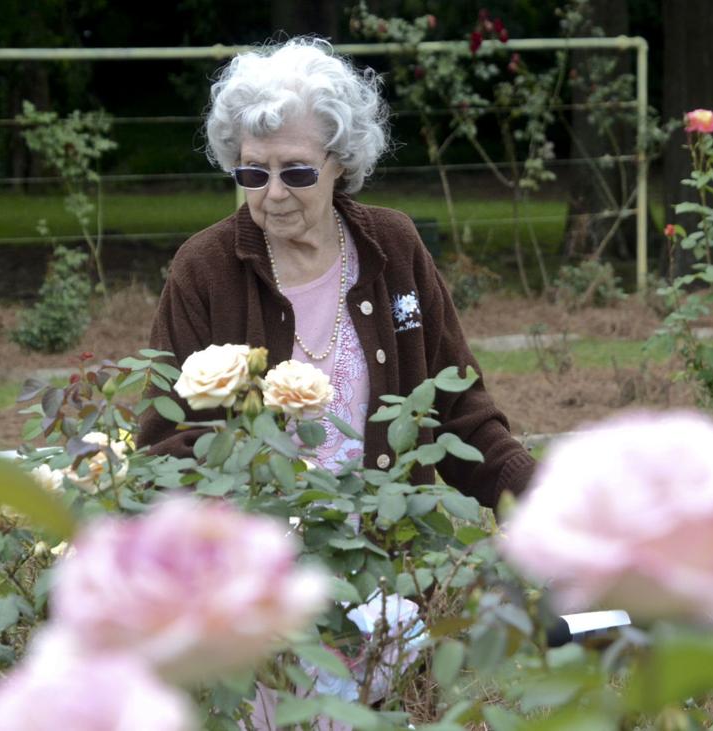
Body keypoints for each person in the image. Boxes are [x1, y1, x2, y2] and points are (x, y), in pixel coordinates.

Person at [138, 37, 534, 509]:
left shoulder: (393, 247)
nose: (274, 193)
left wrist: (544, 496)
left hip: (387, 557)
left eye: (297, 172)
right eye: (253, 173)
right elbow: (165, 449)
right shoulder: (204, 268)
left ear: (340, 162)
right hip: (263, 567)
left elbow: (459, 412)